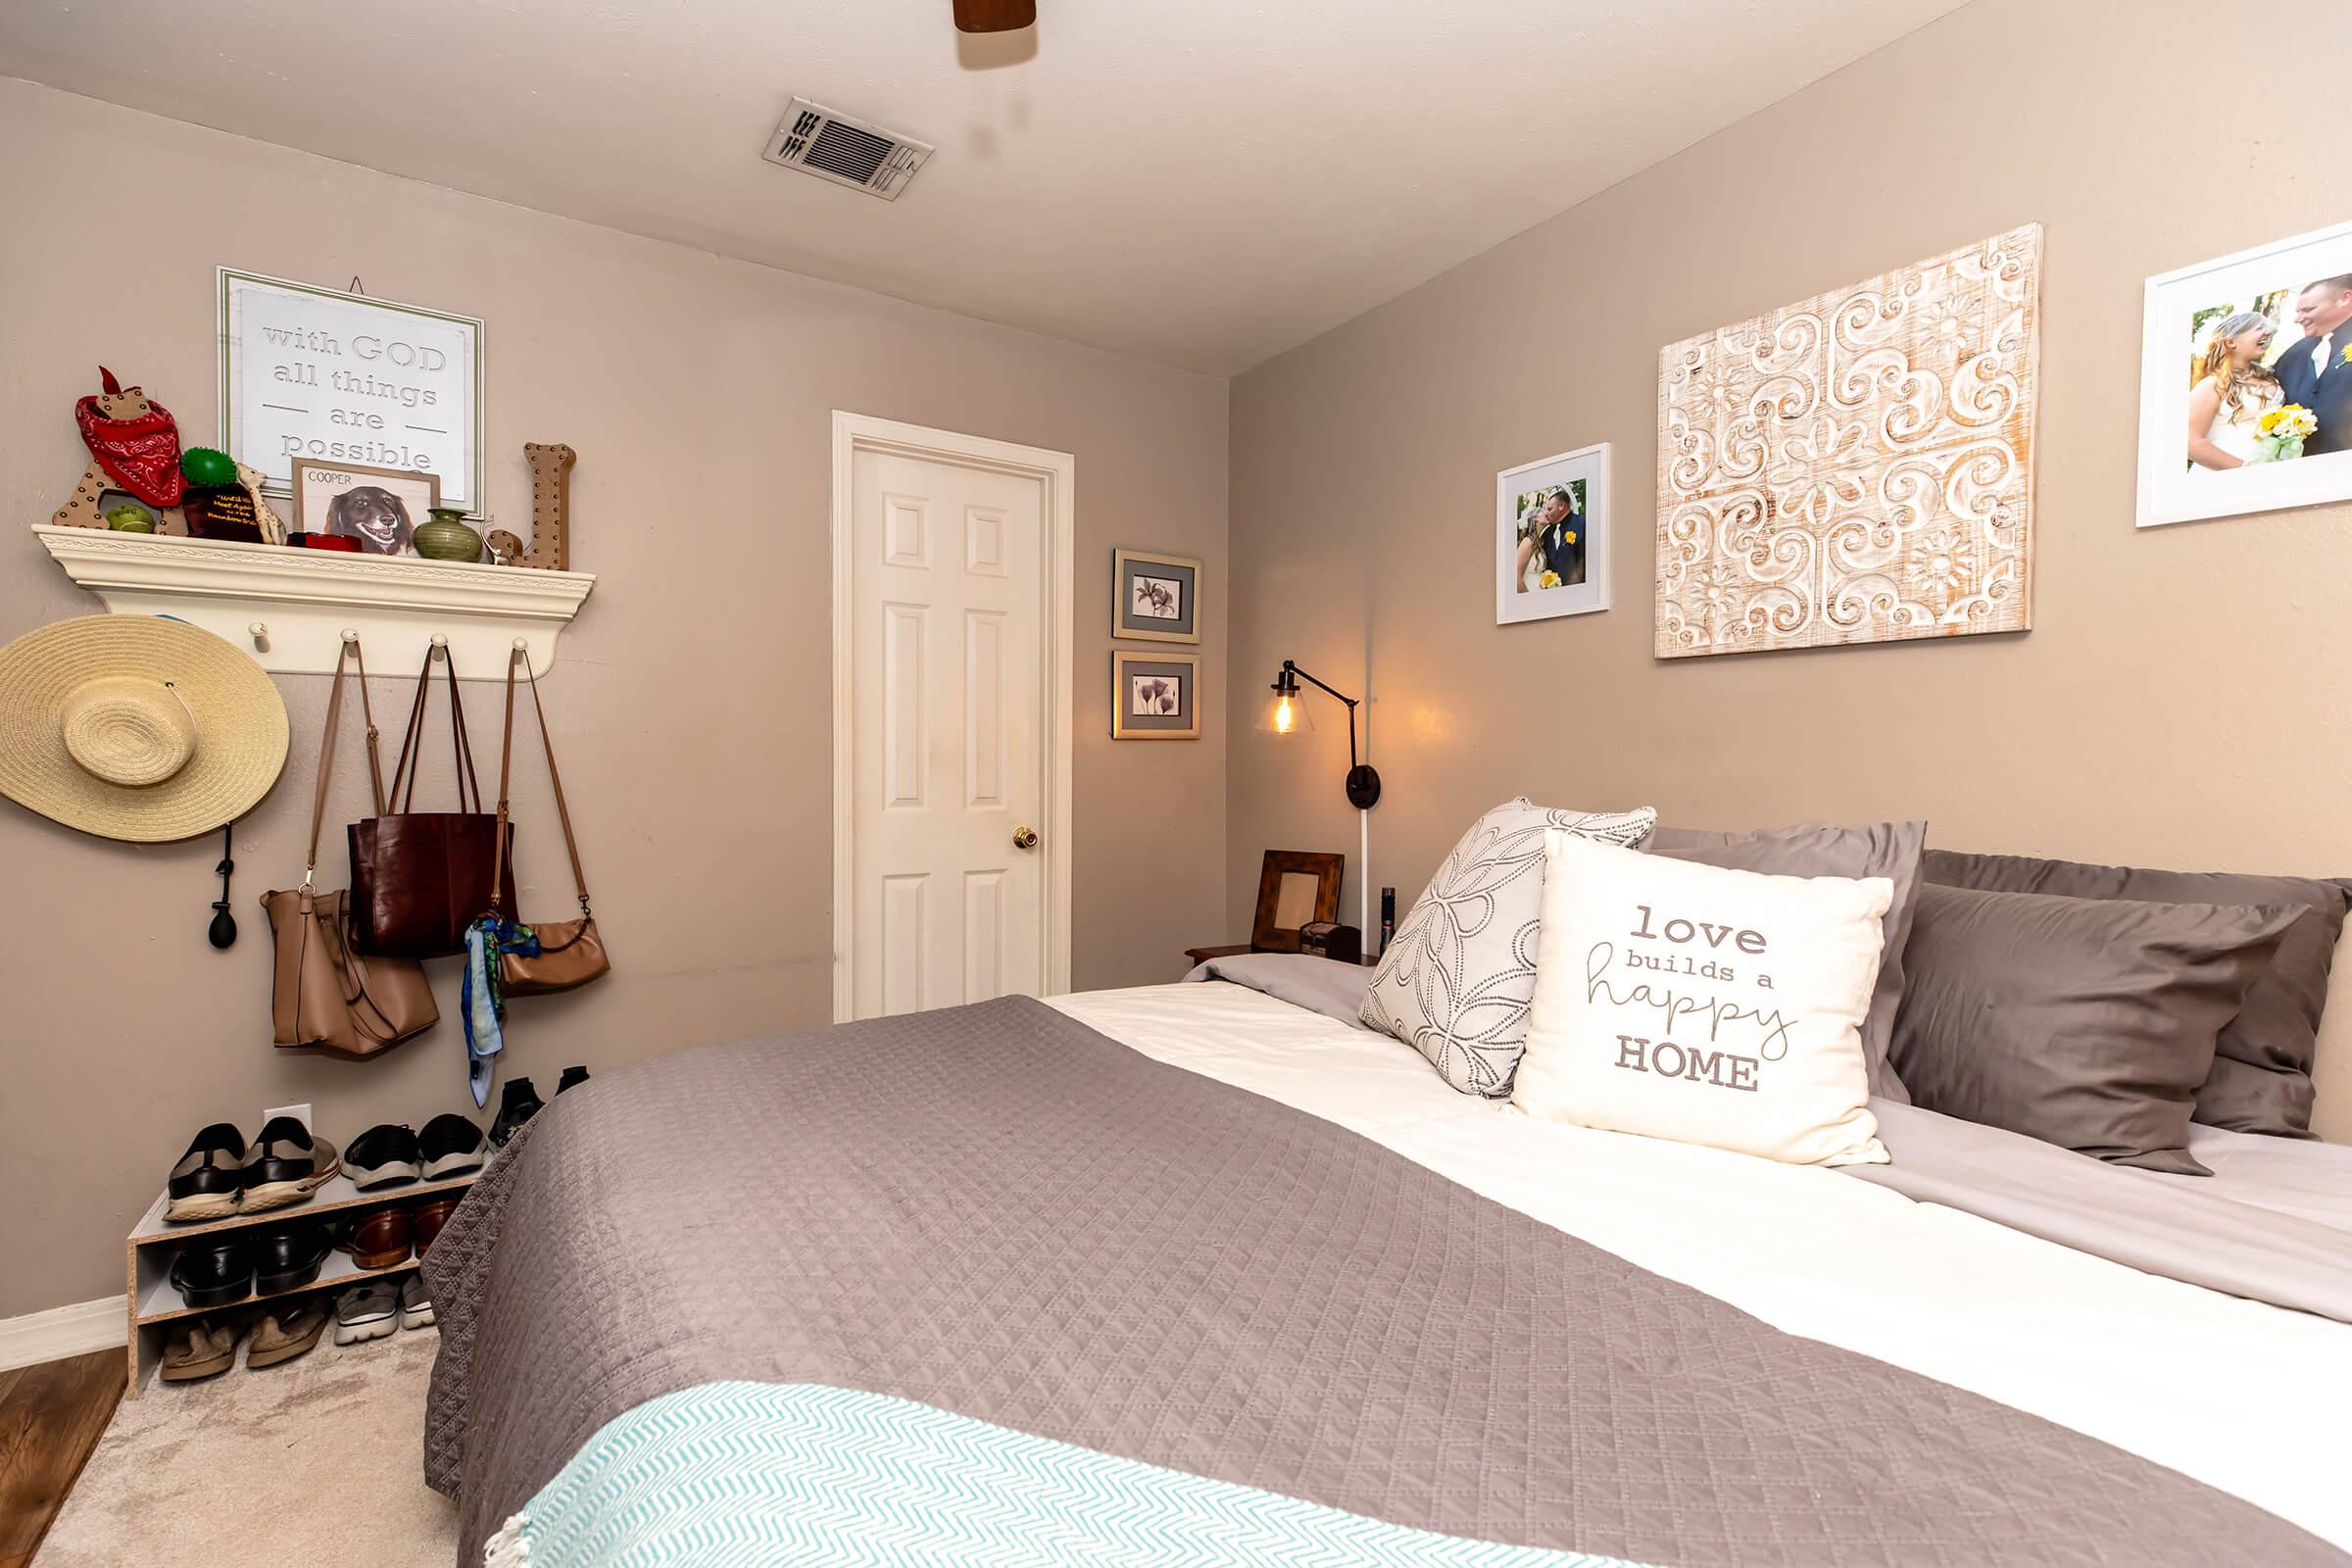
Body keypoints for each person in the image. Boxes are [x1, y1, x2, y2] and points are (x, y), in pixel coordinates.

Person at [2185, 311, 2282, 471]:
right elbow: (2190, 442)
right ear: (2230, 342)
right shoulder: (2212, 385)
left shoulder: (2273, 379)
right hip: (2222, 475)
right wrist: (2246, 470)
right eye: (2259, 328)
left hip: (2269, 472)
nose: (2268, 332)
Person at [2269, 273, 2352, 458]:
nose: (2298, 319)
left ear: (2345, 299)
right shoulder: (2292, 356)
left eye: (2308, 310)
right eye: (2298, 311)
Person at [1512, 489, 1584, 591]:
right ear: (1535, 519)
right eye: (1543, 511)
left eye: (1548, 510)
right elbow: (1515, 576)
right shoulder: (1528, 542)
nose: (1546, 513)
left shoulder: (1542, 540)